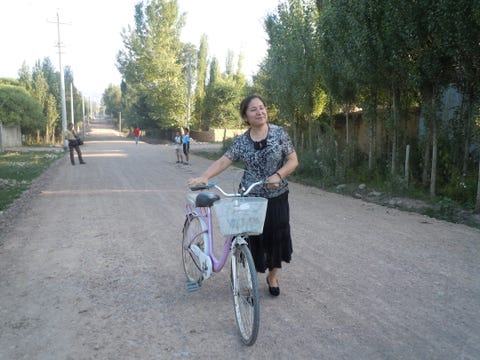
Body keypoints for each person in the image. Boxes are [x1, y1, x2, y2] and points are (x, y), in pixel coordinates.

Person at [188, 95, 298, 296]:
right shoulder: (241, 141)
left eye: (262, 108)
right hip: (250, 197)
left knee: (277, 237)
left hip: (277, 195)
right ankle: (249, 281)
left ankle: (272, 276)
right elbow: (224, 161)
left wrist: (278, 175)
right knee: (249, 240)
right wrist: (204, 177)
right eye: (254, 109)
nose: (260, 112)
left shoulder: (279, 134)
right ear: (246, 116)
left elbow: (292, 160)